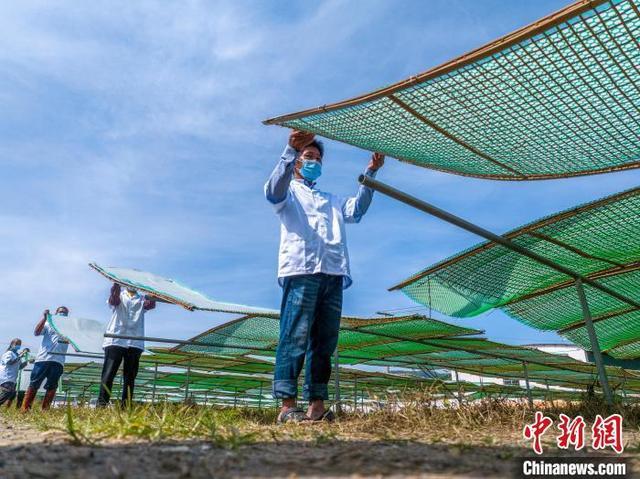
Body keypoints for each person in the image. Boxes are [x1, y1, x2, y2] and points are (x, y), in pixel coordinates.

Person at [265, 129, 384, 423]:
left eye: (317, 158)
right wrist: (289, 151)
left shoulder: (331, 199)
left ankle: (316, 405)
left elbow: (357, 210)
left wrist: (370, 174)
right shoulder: (289, 193)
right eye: (308, 156)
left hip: (333, 273)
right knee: (294, 336)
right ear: (296, 163)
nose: (314, 161)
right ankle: (286, 406)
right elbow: (272, 191)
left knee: (324, 342)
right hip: (301, 271)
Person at [97, 283, 156, 408]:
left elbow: (150, 305)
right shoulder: (119, 295)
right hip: (116, 339)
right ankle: (101, 405)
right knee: (108, 374)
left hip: (135, 341)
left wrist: (153, 296)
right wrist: (115, 289)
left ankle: (126, 407)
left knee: (130, 377)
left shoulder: (142, 298)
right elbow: (114, 301)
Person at [22, 307, 70, 411]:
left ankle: (45, 410)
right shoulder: (49, 324)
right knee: (34, 383)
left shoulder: (70, 328)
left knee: (52, 386)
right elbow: (37, 332)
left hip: (58, 361)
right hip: (43, 359)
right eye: (61, 312)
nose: (63, 314)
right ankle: (25, 409)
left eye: (65, 313)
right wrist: (45, 318)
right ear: (56, 313)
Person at [0, 339, 29, 408]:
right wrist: (20, 356)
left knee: (12, 394)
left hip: (12, 378)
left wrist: (27, 362)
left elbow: (19, 367)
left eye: (19, 344)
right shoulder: (9, 353)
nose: (18, 346)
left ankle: (6, 408)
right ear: (12, 344)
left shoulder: (16, 355)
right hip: (6, 376)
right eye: (17, 344)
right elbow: (9, 362)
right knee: (8, 392)